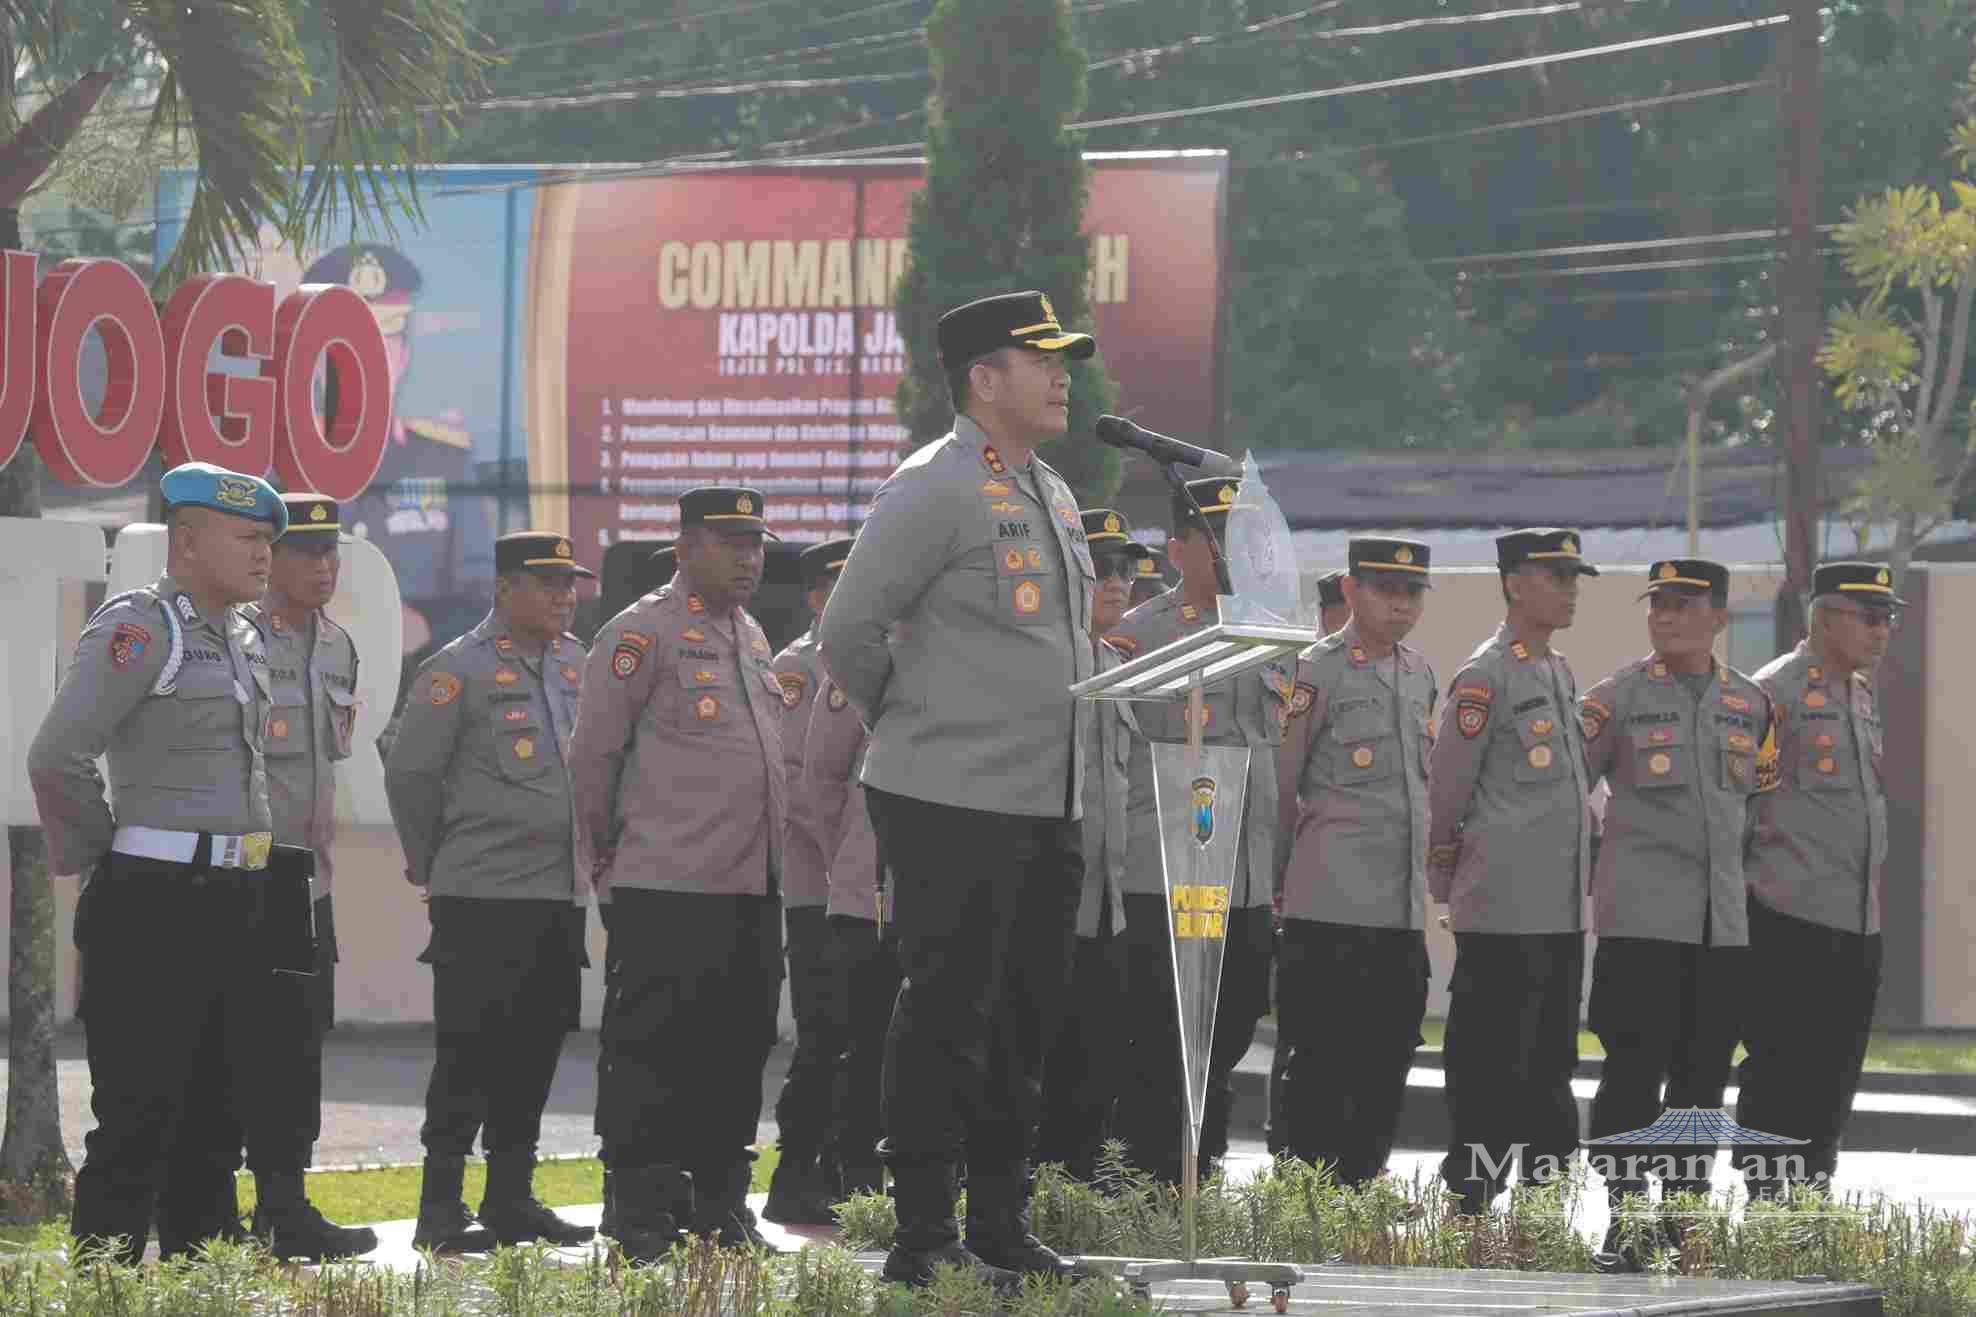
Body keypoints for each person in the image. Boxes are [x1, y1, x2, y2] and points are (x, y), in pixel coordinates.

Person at [816, 290, 1097, 1288]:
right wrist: (920, 719)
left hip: (1043, 801)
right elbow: (848, 630)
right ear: (984, 379)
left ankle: (999, 1221)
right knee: (946, 1011)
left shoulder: (1051, 490)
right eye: (1042, 359)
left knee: (1023, 1017)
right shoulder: (931, 487)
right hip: (947, 799)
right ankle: (922, 1232)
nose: (1063, 374)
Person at [29, 463, 288, 1264]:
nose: (263, 556)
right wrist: (103, 857)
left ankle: (198, 1282)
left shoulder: (247, 636)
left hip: (240, 895)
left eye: (268, 541)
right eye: (247, 537)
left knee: (219, 1115)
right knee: (140, 1111)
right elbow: (57, 754)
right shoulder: (141, 629)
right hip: (156, 897)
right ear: (187, 540)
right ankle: (103, 1283)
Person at [571, 487, 787, 1262]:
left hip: (751, 890)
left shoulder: (755, 637)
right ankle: (638, 1209)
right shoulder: (640, 633)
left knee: (738, 1048)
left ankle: (720, 1205)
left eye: (755, 543)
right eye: (732, 542)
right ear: (685, 545)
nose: (748, 557)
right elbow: (592, 758)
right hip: (665, 887)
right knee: (650, 1052)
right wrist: (606, 862)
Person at [385, 531, 597, 1252]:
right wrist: (430, 863)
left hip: (556, 897)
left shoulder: (578, 664)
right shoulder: (457, 671)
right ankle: (439, 1206)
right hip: (480, 896)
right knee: (469, 1053)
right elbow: (410, 774)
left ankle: (510, 1197)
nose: (565, 595)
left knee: (535, 1050)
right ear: (505, 588)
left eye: (571, 583)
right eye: (548, 582)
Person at [1576, 560, 1777, 1264]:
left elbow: (1760, 814)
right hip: (1640, 925)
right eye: (1657, 603)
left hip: (1720, 930)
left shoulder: (1751, 705)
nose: (1664, 615)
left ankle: (1686, 1218)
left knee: (1701, 1079)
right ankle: (1626, 1219)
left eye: (1683, 605)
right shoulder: (1618, 697)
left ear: (1718, 616)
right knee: (1632, 1074)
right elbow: (1567, 789)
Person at [1106, 477, 1286, 1186]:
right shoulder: (1142, 635)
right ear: (1178, 547)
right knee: (1162, 1037)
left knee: (1232, 1025)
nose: (1227, 552)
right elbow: (1115, 755)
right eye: (1211, 537)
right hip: (1170, 871)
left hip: (1243, 872)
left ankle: (1196, 1173)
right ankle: (1151, 1182)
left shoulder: (1266, 633)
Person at [1427, 527, 1597, 1216]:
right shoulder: (1484, 675)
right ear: (1515, 582)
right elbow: (1448, 793)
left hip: (1557, 907)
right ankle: (1473, 1189)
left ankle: (1544, 1193)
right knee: (1489, 1056)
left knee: (1552, 1055)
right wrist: (1448, 883)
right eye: (1555, 576)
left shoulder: (1558, 670)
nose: (1569, 589)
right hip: (1500, 905)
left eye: (1573, 578)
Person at [226, 494, 376, 1260]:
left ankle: (286, 1206)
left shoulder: (338, 645)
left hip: (309, 885)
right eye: (306, 552)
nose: (323, 567)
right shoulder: (238, 638)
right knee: (236, 1046)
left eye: (331, 554)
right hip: (248, 875)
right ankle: (217, 1206)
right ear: (270, 557)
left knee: (299, 1047)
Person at [1273, 538, 1436, 1185]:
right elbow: (1283, 788)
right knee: (1322, 1062)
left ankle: (1363, 1186)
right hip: (1329, 904)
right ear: (1350, 589)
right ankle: (1310, 1198)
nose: (1400, 603)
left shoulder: (1420, 673)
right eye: (1385, 588)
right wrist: (1276, 890)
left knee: (1388, 1057)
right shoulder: (1315, 671)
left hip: (1399, 909)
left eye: (1412, 591)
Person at [1735, 563, 1898, 1197]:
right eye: (1871, 618)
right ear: (1825, 615)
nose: (1883, 631)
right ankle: (1770, 1202)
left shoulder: (1858, 693)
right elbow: (1740, 803)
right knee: (1782, 1069)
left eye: (1889, 619)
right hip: (1786, 914)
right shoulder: (1773, 692)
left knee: (1836, 1072)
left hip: (1856, 919)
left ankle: (1812, 1197)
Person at [1034, 511, 1143, 1181]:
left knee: (1096, 1062)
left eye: (1128, 570)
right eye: (1102, 568)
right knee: (1036, 1060)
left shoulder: (1119, 664)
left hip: (1108, 904)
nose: (1117, 582)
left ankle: (1077, 1193)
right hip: (1048, 900)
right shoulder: (1044, 661)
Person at [765, 536, 856, 1225]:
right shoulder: (795, 667)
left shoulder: (877, 656)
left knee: (866, 1034)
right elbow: (795, 784)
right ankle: (794, 1172)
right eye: (842, 581)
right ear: (817, 594)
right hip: (816, 885)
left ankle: (849, 1170)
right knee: (825, 1034)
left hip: (868, 887)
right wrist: (846, 852)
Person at [1267, 563, 1355, 1154]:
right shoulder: (1309, 674)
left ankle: (1352, 1160)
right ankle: (1285, 1142)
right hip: (1307, 879)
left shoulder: (1402, 674)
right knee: (1301, 1029)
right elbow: (1285, 784)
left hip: (1363, 890)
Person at [801, 669, 897, 1202]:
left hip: (941, 894)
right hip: (868, 896)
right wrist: (850, 854)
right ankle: (856, 1183)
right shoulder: (862, 671)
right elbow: (821, 780)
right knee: (864, 1050)